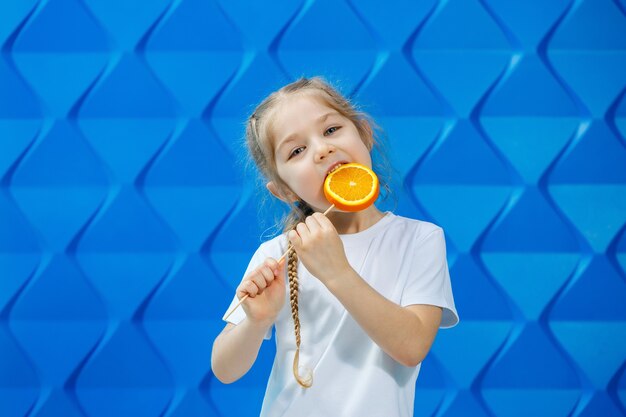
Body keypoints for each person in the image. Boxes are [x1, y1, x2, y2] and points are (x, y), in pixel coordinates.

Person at [211, 76, 459, 417]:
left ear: (365, 135)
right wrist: (256, 322)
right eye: (297, 150)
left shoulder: (420, 239)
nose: (322, 149)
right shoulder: (276, 255)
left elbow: (411, 346)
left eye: (331, 130)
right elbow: (225, 369)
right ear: (284, 191)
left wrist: (337, 272)